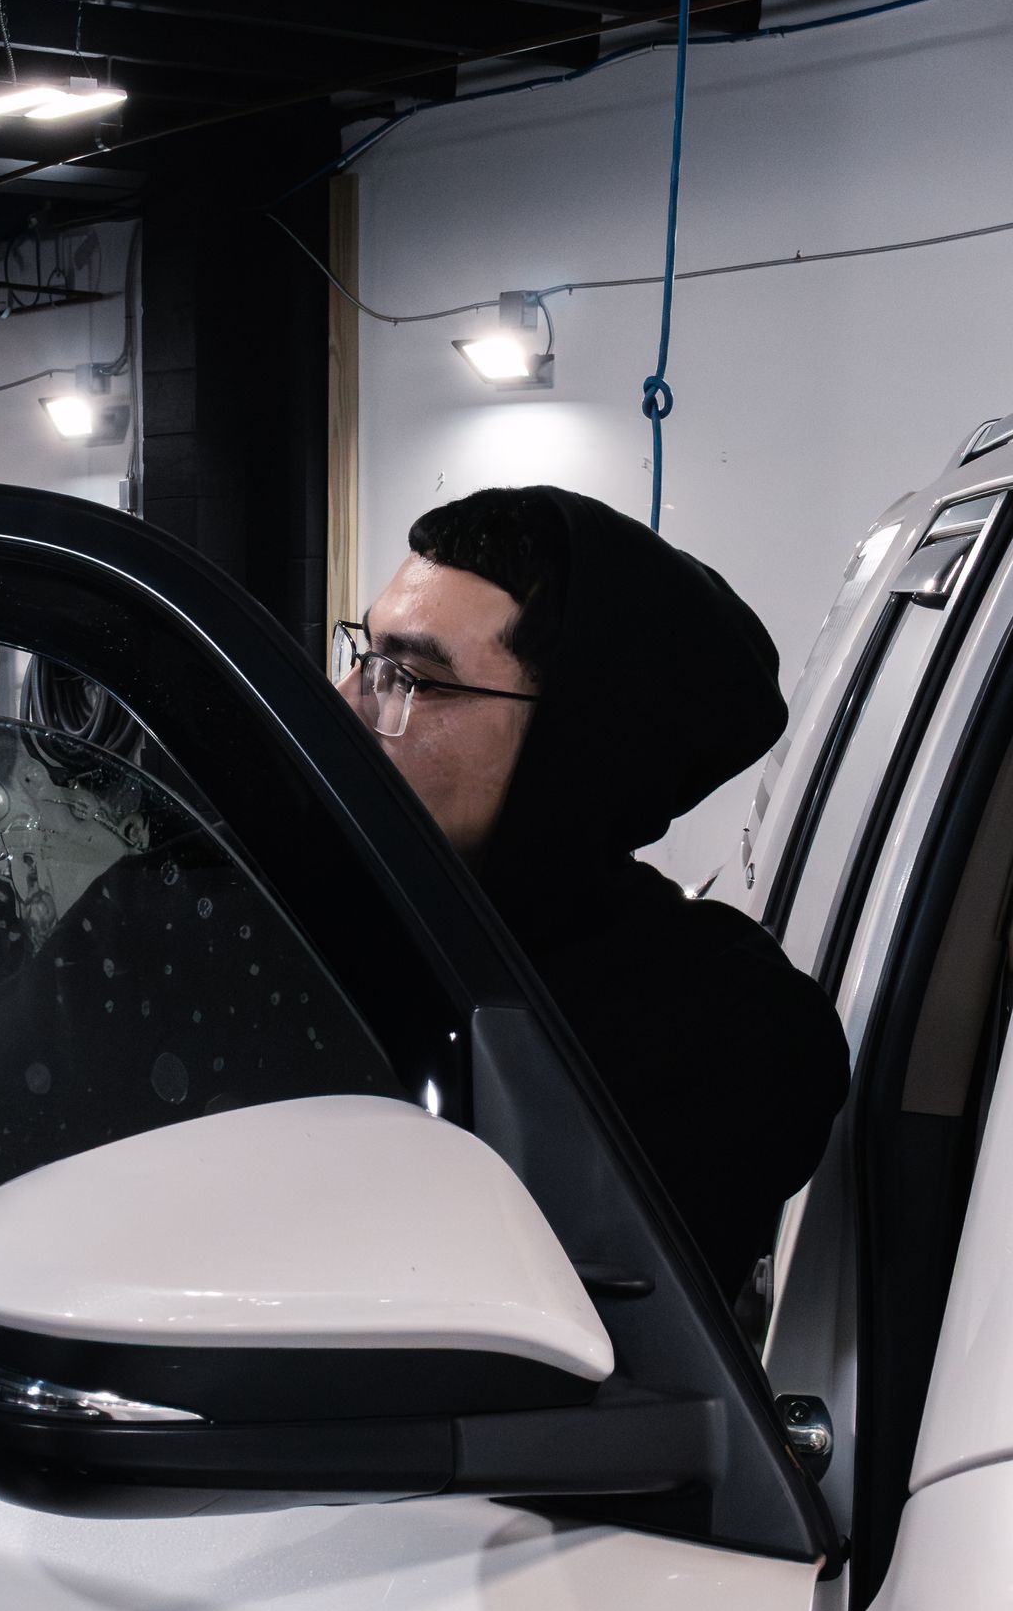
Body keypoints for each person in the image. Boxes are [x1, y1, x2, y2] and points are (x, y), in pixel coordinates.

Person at [341, 484, 849, 1303]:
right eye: (364, 659)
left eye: (413, 678)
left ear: (575, 743)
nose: (348, 707)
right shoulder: (294, 918)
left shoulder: (719, 1026)